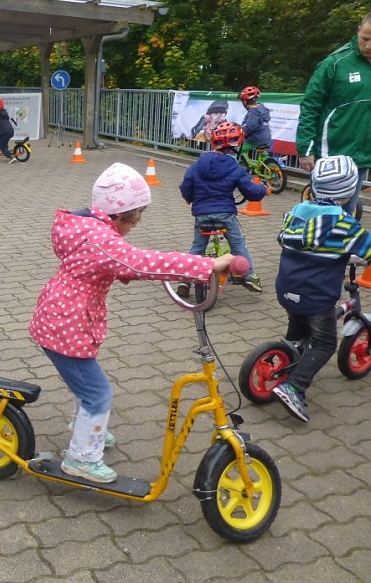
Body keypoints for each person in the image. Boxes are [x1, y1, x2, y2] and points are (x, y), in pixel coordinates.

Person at [29, 163, 234, 483]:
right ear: (118, 215)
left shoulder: (86, 227)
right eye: (134, 220)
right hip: (66, 325)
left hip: (62, 320)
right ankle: (81, 458)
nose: (135, 226)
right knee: (98, 393)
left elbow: (114, 265)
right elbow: (142, 262)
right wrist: (207, 265)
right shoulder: (102, 241)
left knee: (87, 384)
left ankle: (86, 427)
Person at [272, 155, 371, 422]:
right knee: (325, 343)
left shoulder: (296, 213)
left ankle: (283, 359)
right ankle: (294, 386)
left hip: (286, 290)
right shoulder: (345, 226)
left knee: (298, 329)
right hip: (318, 297)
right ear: (352, 189)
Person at [177, 121, 267, 294]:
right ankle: (250, 276)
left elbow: (186, 185)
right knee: (238, 244)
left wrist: (188, 198)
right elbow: (251, 192)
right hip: (225, 215)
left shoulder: (198, 164)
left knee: (197, 247)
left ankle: (185, 280)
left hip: (202, 215)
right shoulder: (235, 166)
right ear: (236, 147)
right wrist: (264, 190)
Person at [296, 12, 371, 217]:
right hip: (331, 158)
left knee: (346, 217)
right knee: (320, 218)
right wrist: (306, 148)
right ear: (358, 31)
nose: (369, 46)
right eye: (365, 38)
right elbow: (311, 106)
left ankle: (342, 249)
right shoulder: (335, 63)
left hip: (362, 157)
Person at [238, 86, 272, 152]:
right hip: (266, 139)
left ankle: (233, 161)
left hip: (255, 140)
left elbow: (250, 127)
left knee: (236, 150)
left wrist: (241, 132)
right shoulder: (262, 109)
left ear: (245, 101)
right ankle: (268, 161)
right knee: (264, 158)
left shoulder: (253, 112)